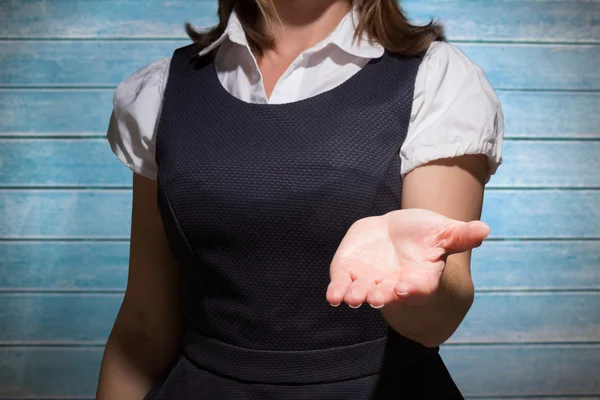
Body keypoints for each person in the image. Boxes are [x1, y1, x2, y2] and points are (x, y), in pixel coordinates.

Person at [96, 0, 504, 398]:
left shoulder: (437, 78)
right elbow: (145, 324)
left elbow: (436, 321)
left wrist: (410, 283)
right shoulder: (162, 89)